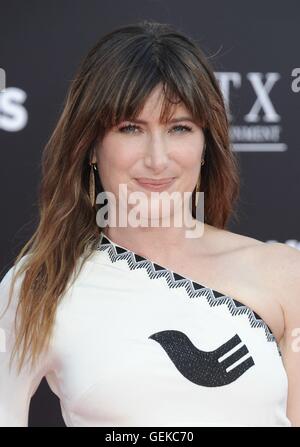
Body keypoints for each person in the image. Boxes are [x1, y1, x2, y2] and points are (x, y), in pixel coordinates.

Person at [0, 20, 299, 427]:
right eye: (130, 129)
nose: (158, 159)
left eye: (179, 128)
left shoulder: (284, 274)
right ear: (90, 145)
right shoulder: (40, 284)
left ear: (206, 143)